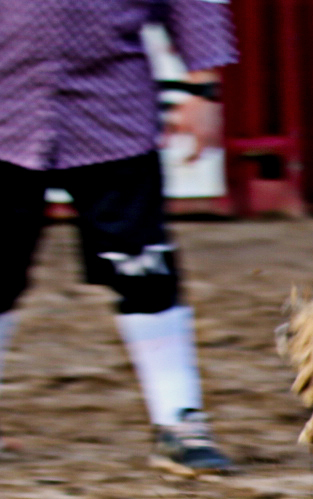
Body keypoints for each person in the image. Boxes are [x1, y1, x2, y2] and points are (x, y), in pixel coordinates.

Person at [1, 0, 237, 474]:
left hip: (111, 115)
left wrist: (202, 89)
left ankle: (179, 420)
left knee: (144, 270)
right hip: (8, 112)